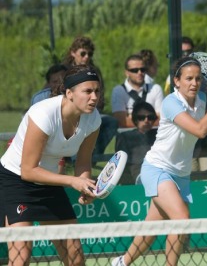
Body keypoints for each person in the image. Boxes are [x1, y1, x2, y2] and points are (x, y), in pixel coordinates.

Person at [112, 56, 207, 266]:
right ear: (177, 81)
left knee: (151, 229)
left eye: (197, 79)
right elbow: (200, 130)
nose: (194, 83)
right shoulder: (171, 102)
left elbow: (204, 120)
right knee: (181, 219)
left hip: (181, 174)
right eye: (188, 78)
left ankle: (121, 262)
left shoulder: (202, 99)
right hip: (157, 169)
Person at [0, 65, 101, 265]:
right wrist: (72, 181)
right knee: (21, 256)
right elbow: (28, 171)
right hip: (15, 181)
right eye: (88, 91)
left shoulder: (93, 119)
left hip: (49, 183)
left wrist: (85, 185)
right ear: (69, 93)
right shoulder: (44, 114)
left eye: (97, 91)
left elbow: (82, 162)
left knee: (75, 259)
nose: (94, 97)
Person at [62, 36, 118, 158]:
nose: (86, 57)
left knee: (111, 122)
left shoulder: (94, 71)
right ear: (73, 53)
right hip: (69, 113)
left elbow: (100, 97)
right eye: (83, 53)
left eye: (89, 54)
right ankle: (74, 158)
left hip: (92, 111)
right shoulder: (64, 71)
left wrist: (93, 108)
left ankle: (93, 155)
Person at [111, 53, 164, 128]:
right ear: (127, 73)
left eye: (142, 69)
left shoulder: (155, 89)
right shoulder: (119, 91)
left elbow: (162, 120)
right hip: (128, 137)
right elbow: (121, 121)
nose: (140, 73)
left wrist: (130, 117)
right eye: (135, 70)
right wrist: (151, 117)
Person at [115, 102, 157, 185]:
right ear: (135, 119)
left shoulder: (160, 135)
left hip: (159, 172)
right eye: (141, 117)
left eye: (150, 117)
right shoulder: (125, 137)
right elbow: (121, 163)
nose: (146, 120)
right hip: (136, 174)